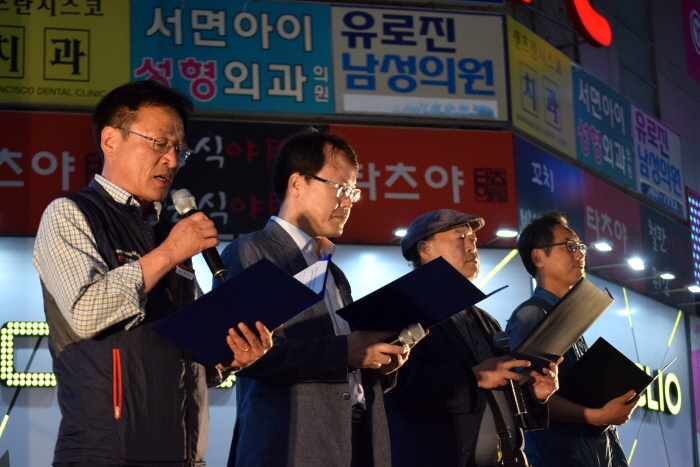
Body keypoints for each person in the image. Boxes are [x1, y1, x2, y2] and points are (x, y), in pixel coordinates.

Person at [33, 80, 272, 467]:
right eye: (159, 143)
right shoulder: (70, 213)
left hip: (183, 453)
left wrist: (227, 361)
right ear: (111, 140)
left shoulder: (167, 233)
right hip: (106, 453)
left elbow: (180, 354)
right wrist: (169, 252)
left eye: (180, 149)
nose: (173, 160)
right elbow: (86, 311)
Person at [217, 128, 411, 467]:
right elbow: (245, 353)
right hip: (293, 442)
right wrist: (347, 351)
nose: (349, 200)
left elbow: (350, 359)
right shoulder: (251, 251)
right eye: (340, 188)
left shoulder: (334, 272)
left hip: (360, 439)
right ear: (297, 184)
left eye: (353, 190)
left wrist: (381, 363)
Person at [387, 208, 561, 467]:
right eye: (460, 238)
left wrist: (534, 394)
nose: (472, 247)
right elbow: (399, 388)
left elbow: (501, 395)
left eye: (474, 240)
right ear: (425, 250)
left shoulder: (483, 318)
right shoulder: (401, 310)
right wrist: (475, 377)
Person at [506, 211, 639, 467]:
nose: (579, 254)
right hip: (559, 457)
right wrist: (596, 415)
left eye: (580, 247)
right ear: (538, 256)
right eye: (569, 246)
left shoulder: (566, 315)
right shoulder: (533, 315)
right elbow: (529, 396)